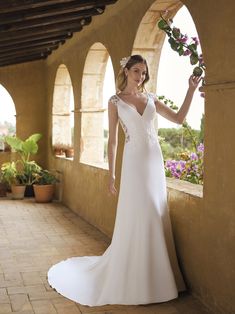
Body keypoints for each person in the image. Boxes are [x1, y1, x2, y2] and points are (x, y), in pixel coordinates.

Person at [47, 54, 201, 306]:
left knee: (155, 212)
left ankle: (157, 278)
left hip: (153, 162)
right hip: (133, 163)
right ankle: (136, 278)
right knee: (138, 213)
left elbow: (179, 118)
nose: (140, 77)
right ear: (127, 71)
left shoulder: (151, 98)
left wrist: (191, 90)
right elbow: (113, 140)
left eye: (143, 72)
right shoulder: (115, 101)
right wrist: (112, 173)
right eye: (136, 71)